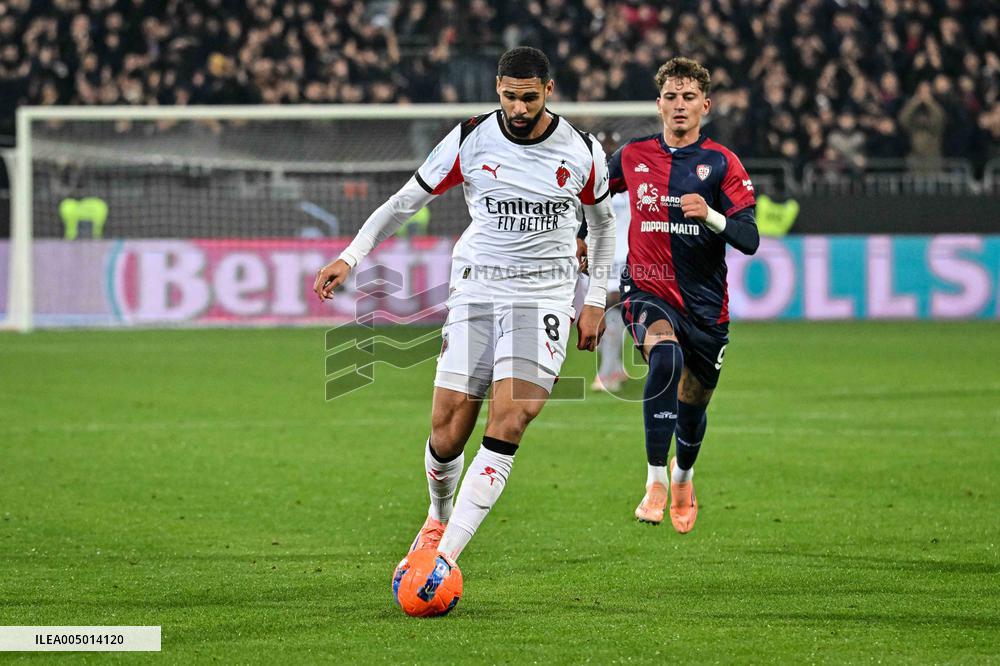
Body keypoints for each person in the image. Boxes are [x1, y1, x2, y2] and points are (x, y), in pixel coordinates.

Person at [313, 47, 616, 561]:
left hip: (543, 293)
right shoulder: (471, 138)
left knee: (513, 415)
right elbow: (405, 202)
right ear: (497, 88)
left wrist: (597, 299)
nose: (518, 109)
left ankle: (443, 557)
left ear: (548, 91)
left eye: (528, 98)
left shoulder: (582, 150)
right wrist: (350, 256)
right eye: (508, 97)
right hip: (478, 288)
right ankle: (437, 517)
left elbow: (606, 226)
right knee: (449, 427)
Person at [606, 56, 759, 532]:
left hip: (707, 309)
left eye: (688, 97)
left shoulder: (721, 163)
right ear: (658, 104)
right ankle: (654, 480)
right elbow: (590, 198)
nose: (679, 105)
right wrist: (580, 236)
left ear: (704, 106)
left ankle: (683, 476)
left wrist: (712, 216)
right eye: (670, 97)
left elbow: (750, 239)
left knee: (693, 410)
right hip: (647, 290)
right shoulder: (631, 156)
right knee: (664, 358)